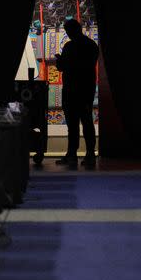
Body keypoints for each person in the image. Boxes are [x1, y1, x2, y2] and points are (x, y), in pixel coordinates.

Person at [54, 19, 99, 169]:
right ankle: (90, 154)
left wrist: (59, 60)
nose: (67, 34)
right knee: (87, 122)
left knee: (72, 125)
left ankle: (72, 154)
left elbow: (62, 67)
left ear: (72, 31)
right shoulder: (92, 45)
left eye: (67, 31)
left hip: (71, 90)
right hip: (86, 90)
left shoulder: (69, 46)